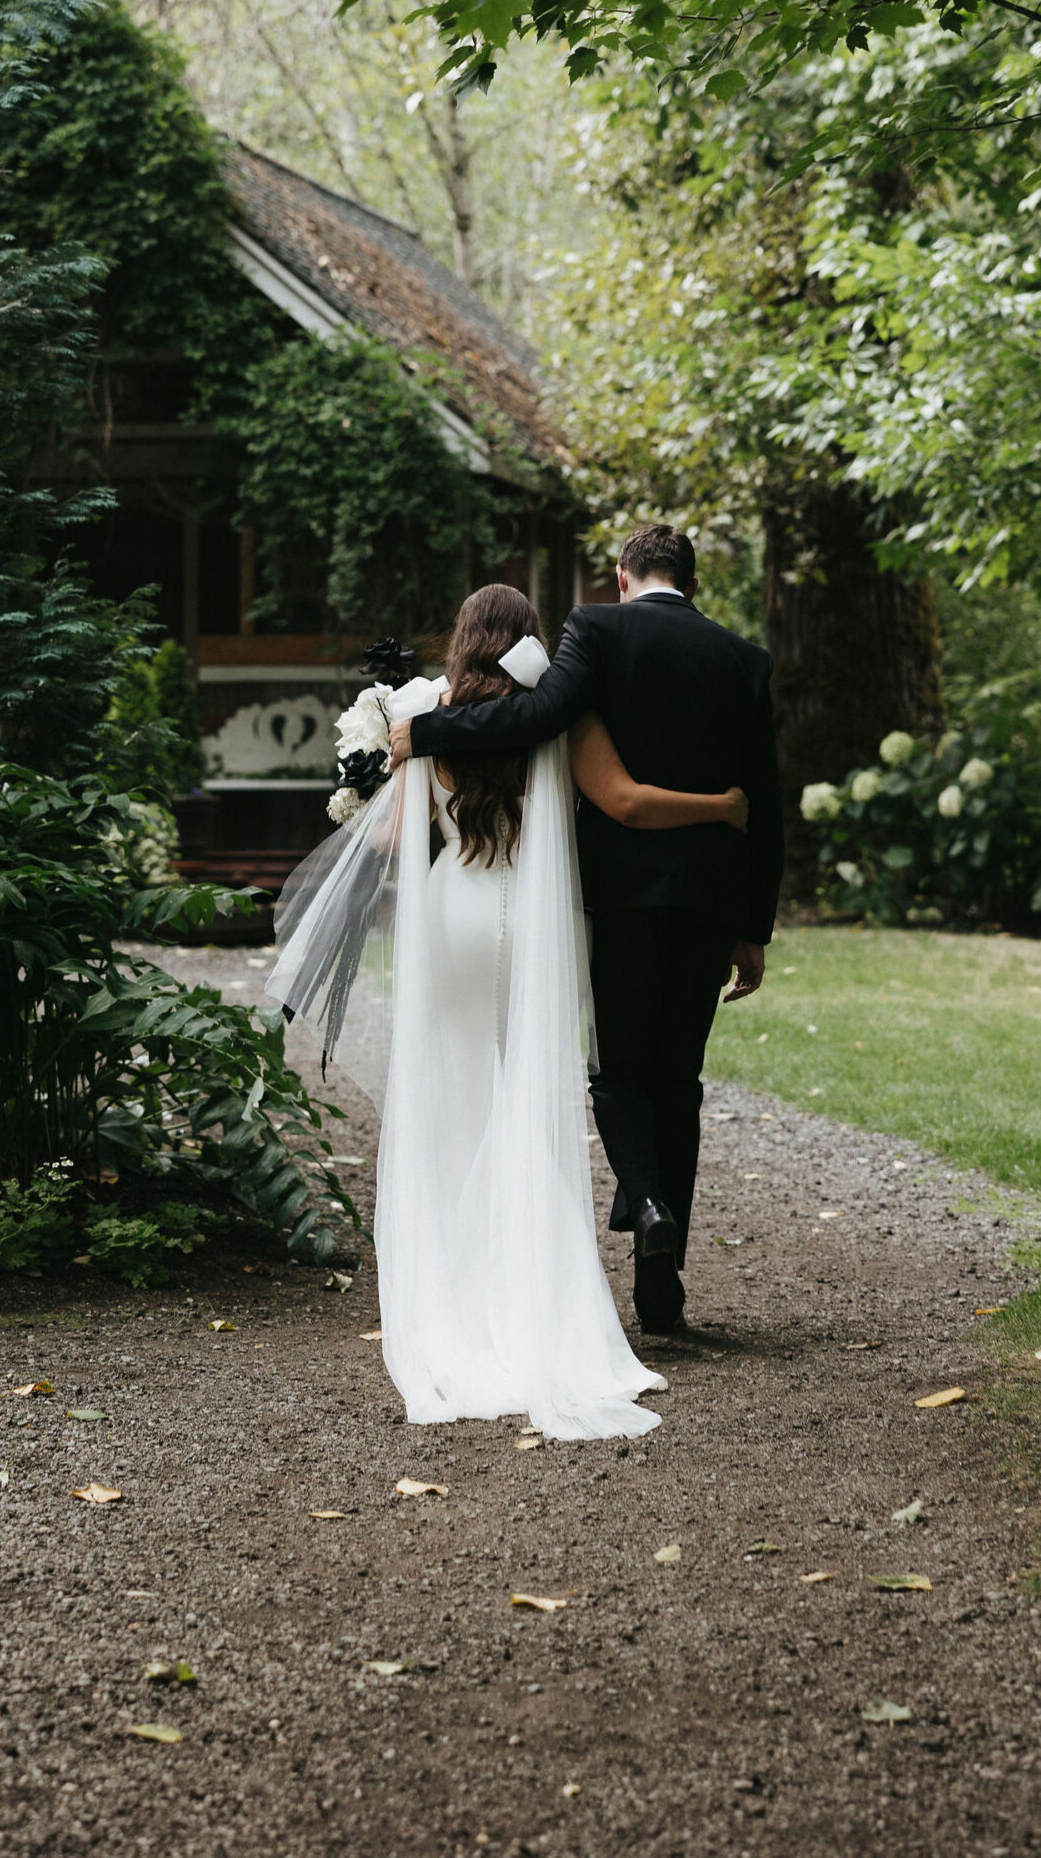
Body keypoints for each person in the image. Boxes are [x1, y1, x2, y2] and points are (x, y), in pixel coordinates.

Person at [268, 579, 753, 1442]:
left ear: (461, 638)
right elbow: (614, 800)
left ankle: (458, 1288)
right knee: (526, 1095)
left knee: (458, 1097)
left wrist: (366, 785)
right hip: (538, 927)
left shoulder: (423, 710)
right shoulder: (559, 715)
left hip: (454, 913)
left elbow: (385, 840)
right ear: (531, 640)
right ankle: (535, 1291)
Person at [390, 525, 782, 1336]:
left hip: (626, 896)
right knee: (679, 1079)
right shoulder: (745, 659)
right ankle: (662, 1287)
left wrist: (423, 732)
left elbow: (535, 716)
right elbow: (766, 804)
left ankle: (642, 1201)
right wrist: (754, 927)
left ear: (622, 575)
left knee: (617, 1073)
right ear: (690, 577)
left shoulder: (596, 628)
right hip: (711, 900)